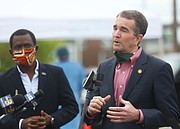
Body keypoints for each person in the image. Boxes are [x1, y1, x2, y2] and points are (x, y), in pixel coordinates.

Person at [84, 10, 179, 129]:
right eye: (115, 28)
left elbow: (172, 115)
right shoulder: (104, 67)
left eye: (123, 30)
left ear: (138, 39)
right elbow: (91, 117)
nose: (116, 34)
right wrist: (91, 110)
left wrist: (138, 115)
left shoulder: (158, 68)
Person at [0, 29, 79, 129]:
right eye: (18, 47)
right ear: (11, 52)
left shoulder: (55, 73)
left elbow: (72, 107)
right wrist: (20, 124)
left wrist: (52, 119)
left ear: (35, 48)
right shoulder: (3, 80)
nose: (23, 50)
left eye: (28, 46)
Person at [55, 47, 85, 129]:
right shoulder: (78, 67)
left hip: (58, 102)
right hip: (74, 99)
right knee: (75, 124)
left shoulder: (54, 67)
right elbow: (82, 85)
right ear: (68, 55)